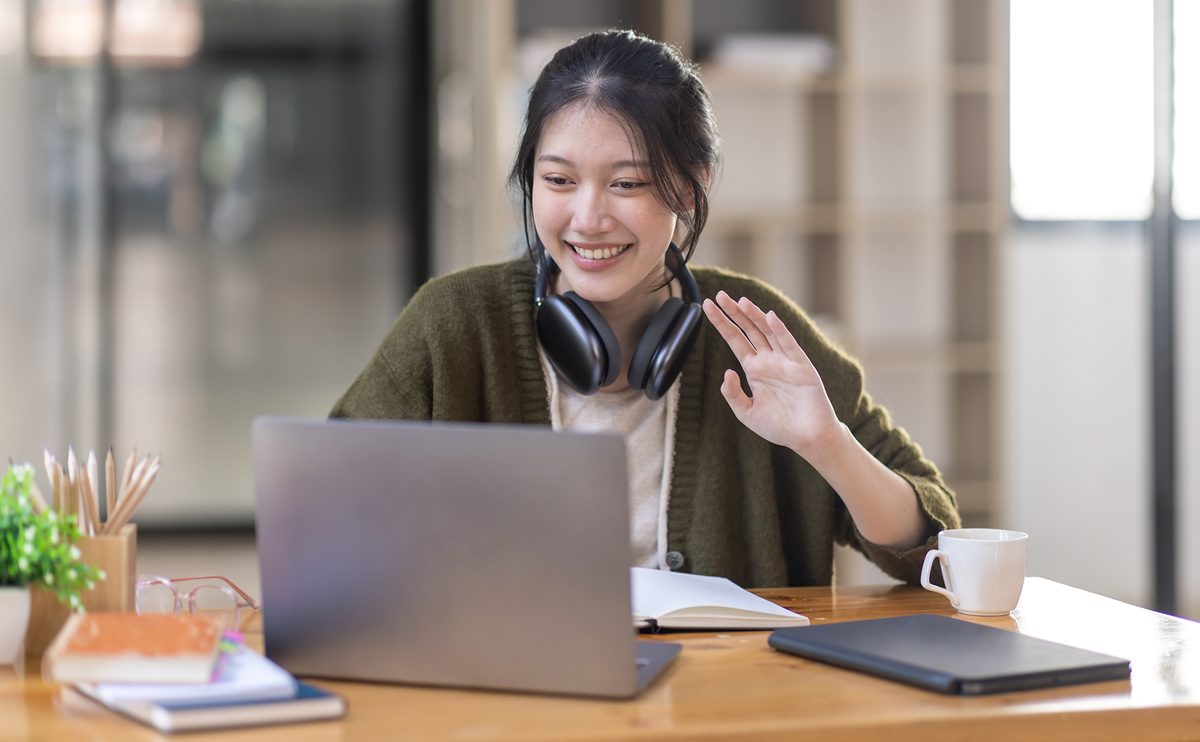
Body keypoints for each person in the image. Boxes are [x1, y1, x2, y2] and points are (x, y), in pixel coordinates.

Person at [331, 30, 960, 588]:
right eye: (557, 181)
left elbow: (932, 548)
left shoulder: (752, 330)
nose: (588, 218)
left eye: (626, 183)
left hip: (719, 708)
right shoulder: (456, 325)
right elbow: (329, 516)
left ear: (692, 184)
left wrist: (826, 445)